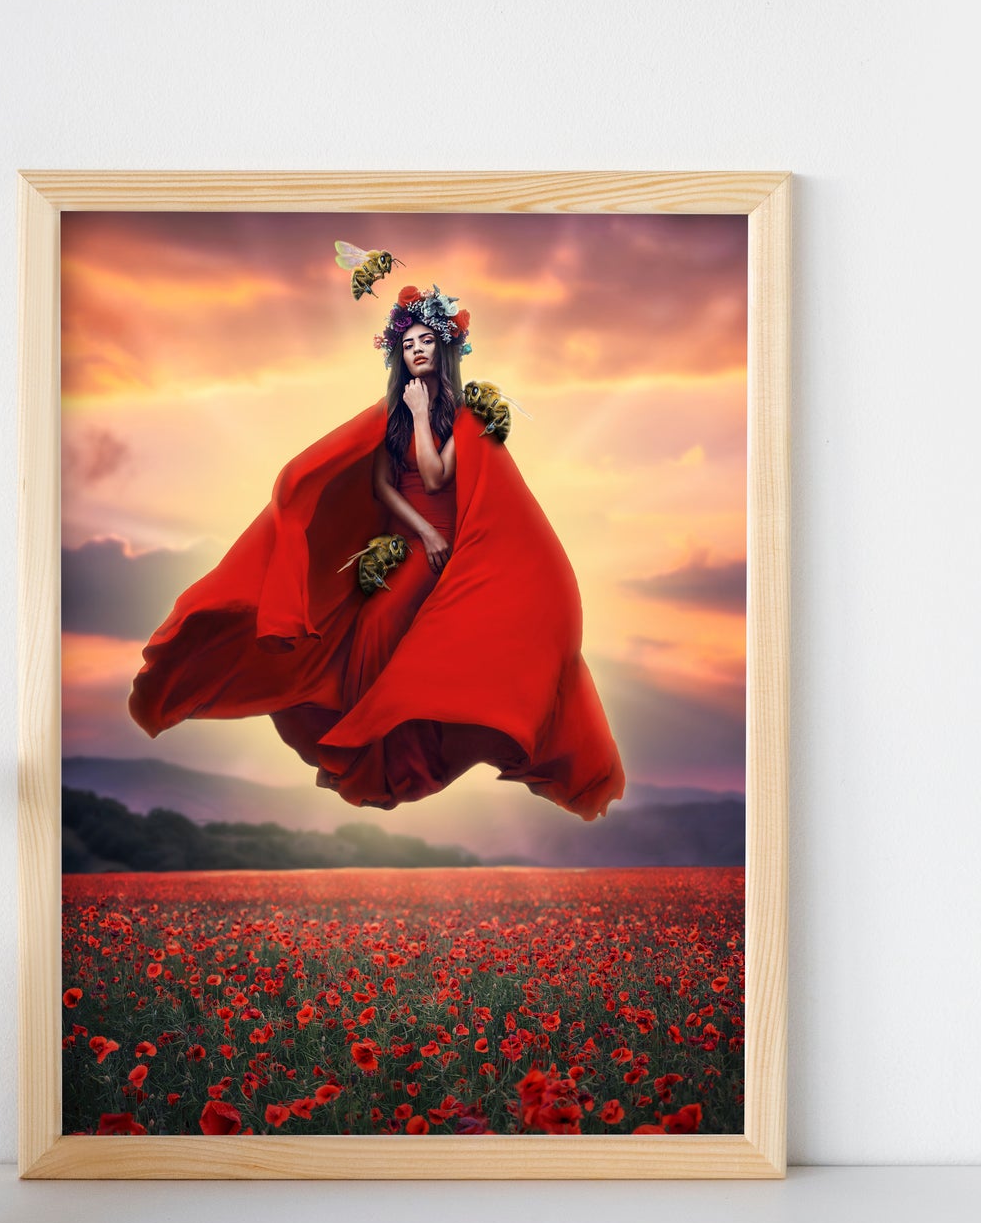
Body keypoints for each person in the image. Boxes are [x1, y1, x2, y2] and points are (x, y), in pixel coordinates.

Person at [127, 282, 625, 820]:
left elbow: (433, 478)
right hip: (413, 540)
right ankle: (378, 755)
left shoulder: (467, 417)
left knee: (393, 627)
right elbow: (384, 485)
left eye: (426, 341)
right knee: (366, 627)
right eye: (407, 343)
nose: (416, 350)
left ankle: (399, 756)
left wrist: (421, 425)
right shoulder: (391, 414)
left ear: (445, 349)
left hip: (450, 552)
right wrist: (421, 529)